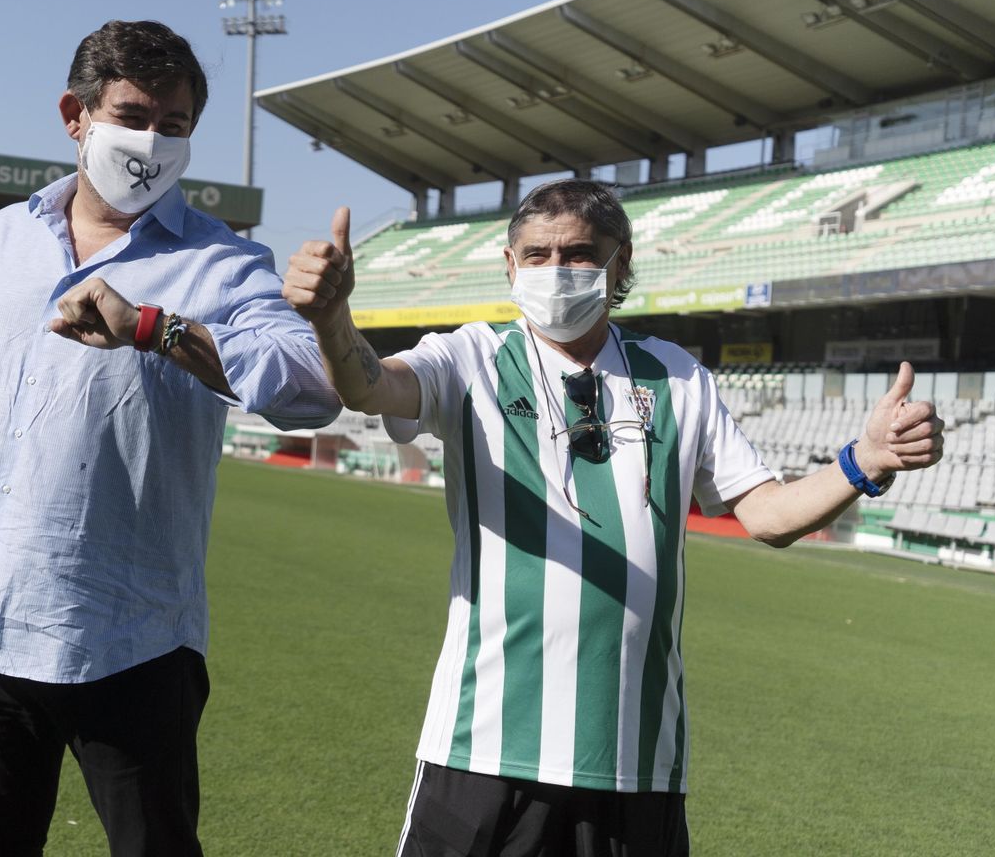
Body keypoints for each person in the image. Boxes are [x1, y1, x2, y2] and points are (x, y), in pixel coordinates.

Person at [282, 179, 944, 857]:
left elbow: (769, 515)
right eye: (536, 255)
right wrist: (332, 321)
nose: (556, 270)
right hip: (482, 745)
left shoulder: (677, 377)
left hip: (635, 761)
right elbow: (371, 384)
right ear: (510, 268)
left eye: (578, 253)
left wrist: (863, 462)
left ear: (618, 265)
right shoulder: (472, 357)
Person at [0, 20, 339, 857]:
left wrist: (153, 327)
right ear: (77, 114)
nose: (149, 143)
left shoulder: (225, 262)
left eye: (173, 127)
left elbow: (311, 389)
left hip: (132, 636)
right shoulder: (2, 238)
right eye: (131, 116)